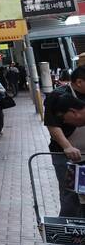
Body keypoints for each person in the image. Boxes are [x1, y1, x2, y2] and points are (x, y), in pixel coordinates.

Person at [43, 69, 85, 219]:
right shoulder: (57, 96)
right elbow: (52, 124)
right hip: (67, 154)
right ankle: (67, 234)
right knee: (71, 194)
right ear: (79, 82)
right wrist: (67, 146)